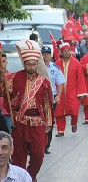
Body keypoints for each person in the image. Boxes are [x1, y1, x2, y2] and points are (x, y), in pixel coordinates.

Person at [0, 40, 53, 181]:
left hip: (38, 122)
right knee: (18, 156)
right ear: (24, 64)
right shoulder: (13, 78)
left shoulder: (44, 82)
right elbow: (5, 94)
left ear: (37, 64)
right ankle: (19, 178)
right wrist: (2, 82)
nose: (32, 67)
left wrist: (49, 122)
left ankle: (30, 176)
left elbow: (47, 104)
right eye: (29, 64)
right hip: (19, 121)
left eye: (34, 64)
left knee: (38, 155)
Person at [55, 43, 87, 137]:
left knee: (74, 109)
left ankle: (74, 123)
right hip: (60, 91)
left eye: (68, 50)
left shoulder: (76, 63)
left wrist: (80, 93)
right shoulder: (57, 64)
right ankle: (61, 130)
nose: (67, 52)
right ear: (61, 52)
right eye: (65, 51)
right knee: (59, 111)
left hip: (73, 91)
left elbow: (80, 78)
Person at [41, 46, 65, 152]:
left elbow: (60, 83)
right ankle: (39, 144)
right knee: (40, 121)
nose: (45, 56)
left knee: (49, 121)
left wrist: (58, 96)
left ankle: (47, 145)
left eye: (47, 54)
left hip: (51, 97)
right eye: (43, 54)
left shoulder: (55, 68)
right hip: (39, 97)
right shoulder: (37, 67)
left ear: (51, 55)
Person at [0, 54, 12, 134]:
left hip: (7, 112)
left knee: (9, 135)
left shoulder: (11, 76)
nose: (2, 63)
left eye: (3, 61)